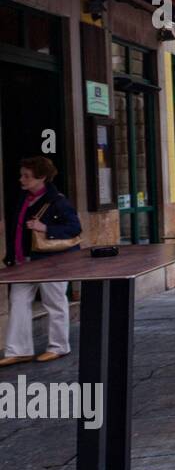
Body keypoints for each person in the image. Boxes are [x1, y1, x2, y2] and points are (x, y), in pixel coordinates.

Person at [2, 157, 82, 366]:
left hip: (52, 262)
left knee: (54, 302)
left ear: (42, 177)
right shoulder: (23, 198)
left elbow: (75, 229)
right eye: (22, 175)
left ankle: (58, 346)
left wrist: (45, 228)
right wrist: (11, 256)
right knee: (18, 302)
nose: (22, 179)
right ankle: (18, 350)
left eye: (26, 176)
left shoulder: (58, 201)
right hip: (23, 261)